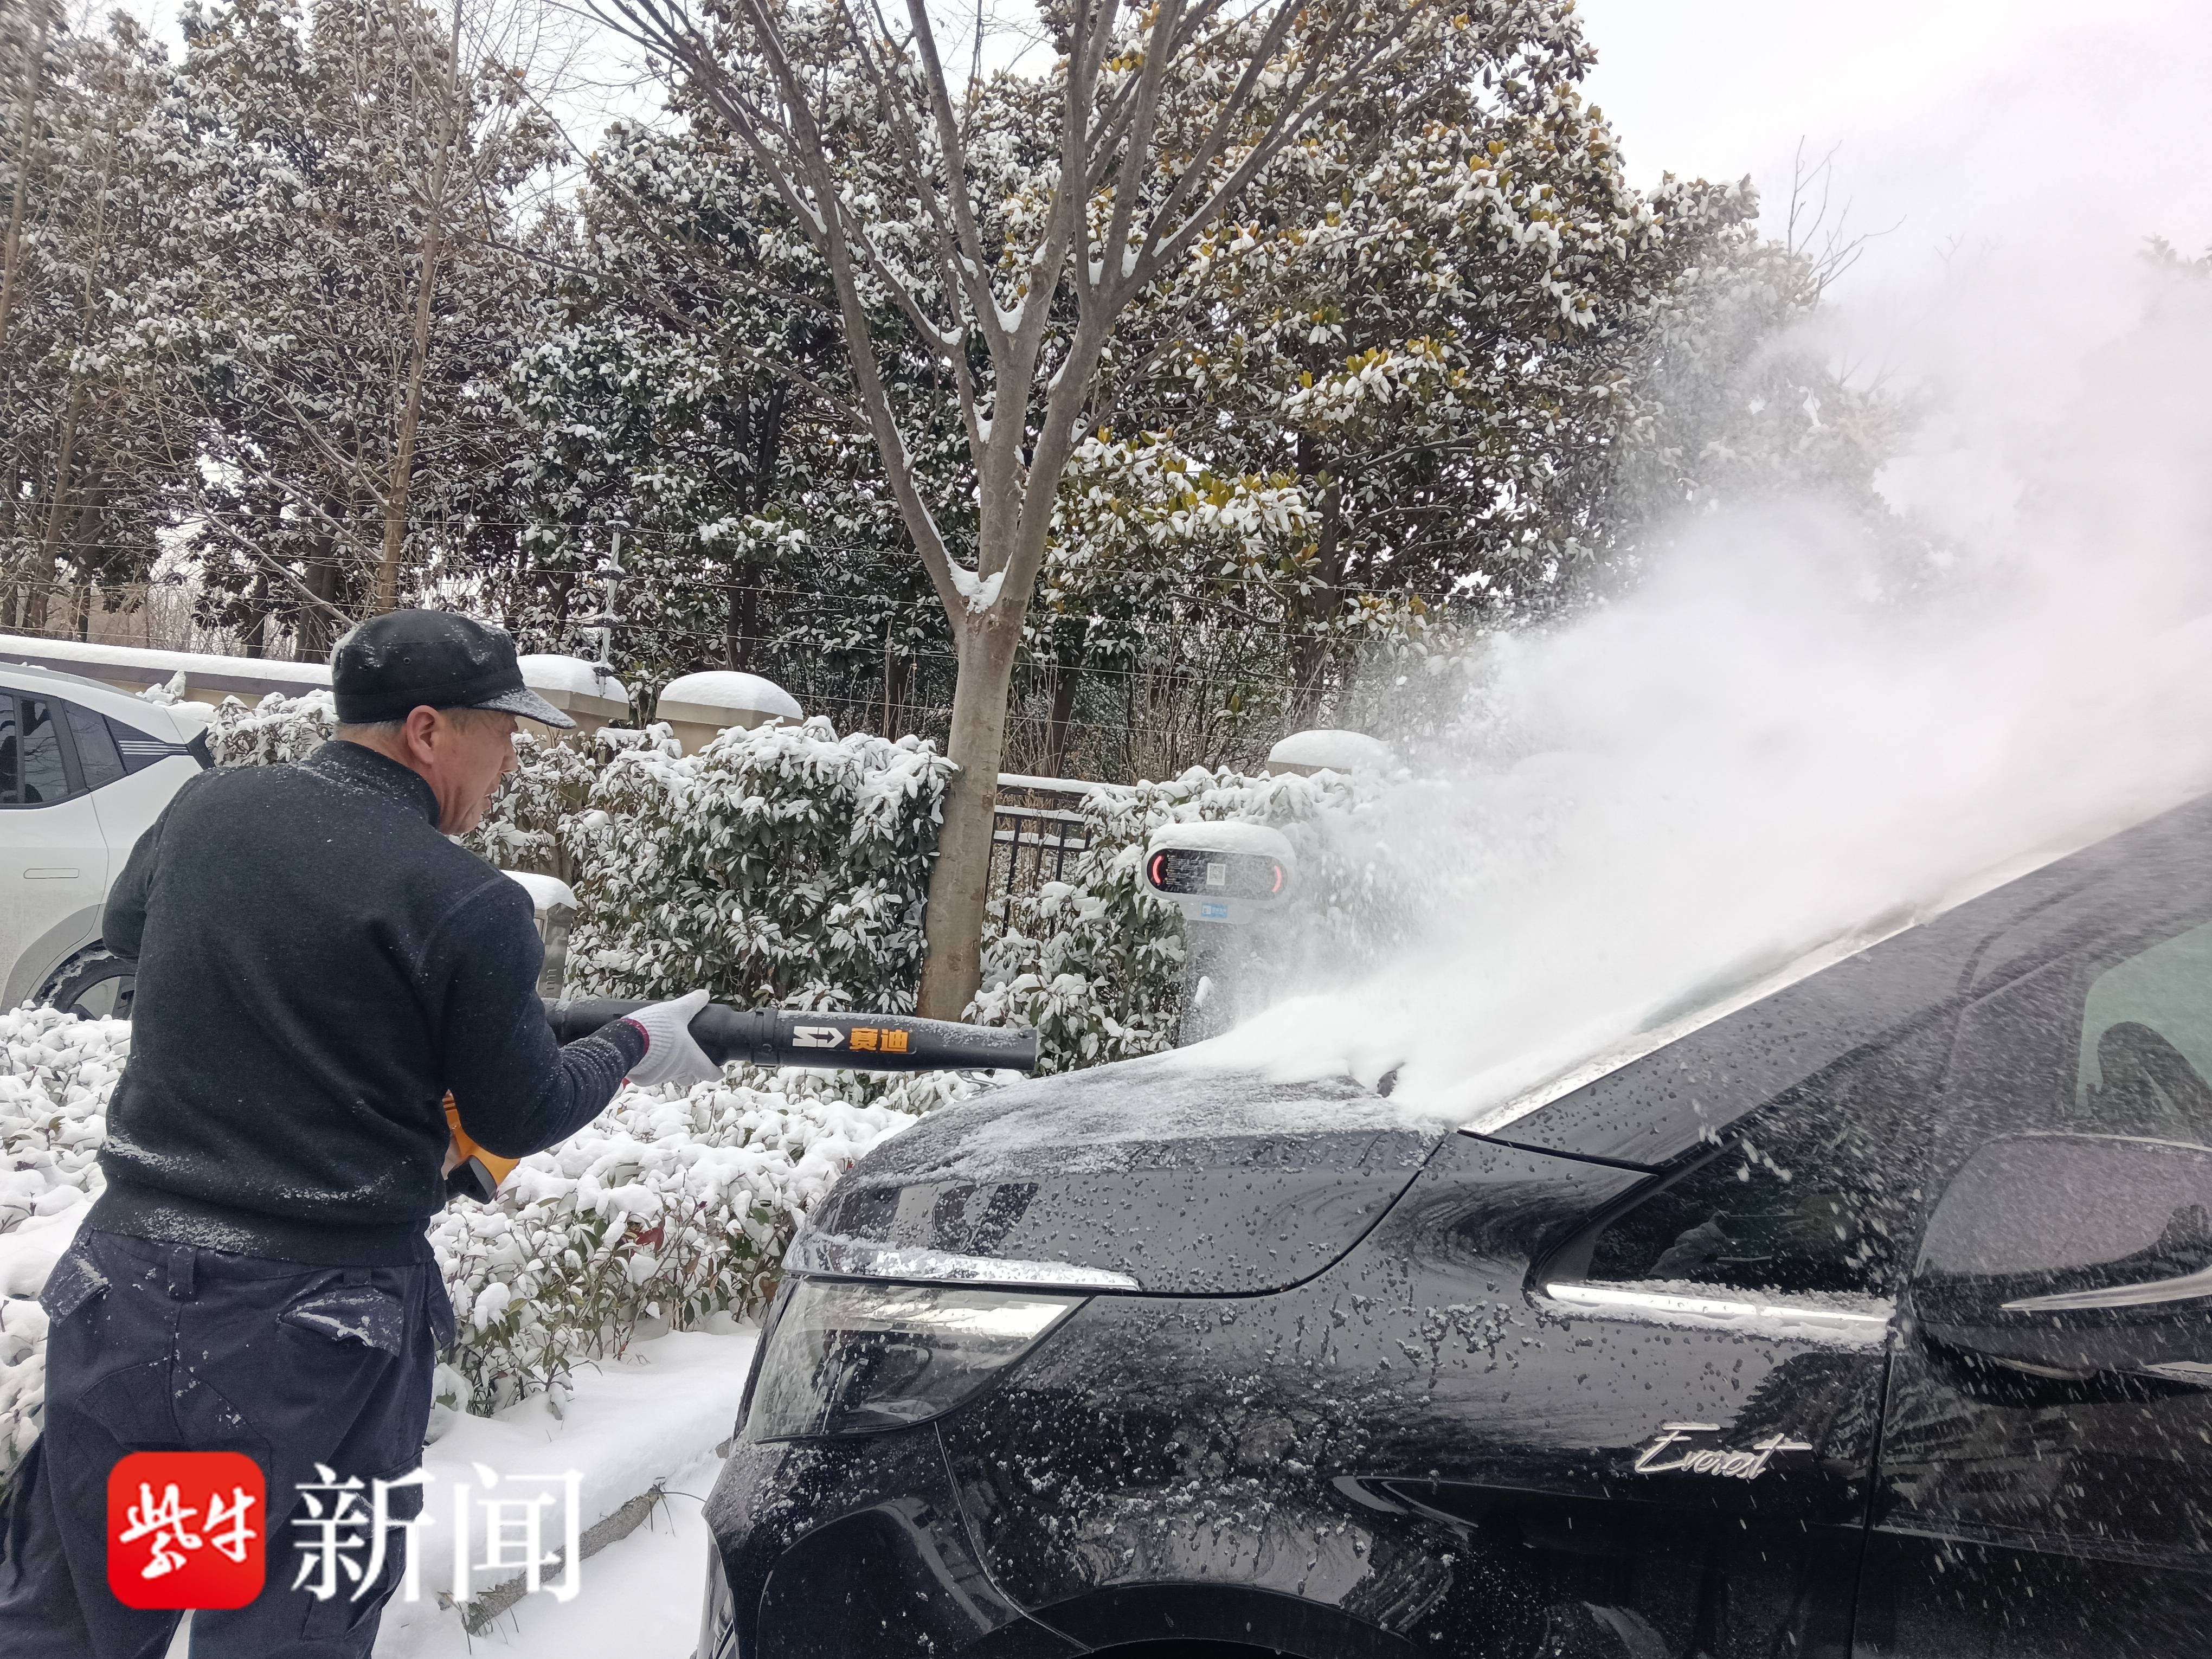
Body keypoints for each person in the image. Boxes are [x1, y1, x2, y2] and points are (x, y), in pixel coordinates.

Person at [0, 610, 718, 1657]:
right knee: (283, 1626)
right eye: (502, 734)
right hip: (311, 1331)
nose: (512, 763)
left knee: (99, 1608)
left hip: (132, 1294)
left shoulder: (211, 809)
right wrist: (633, 1043)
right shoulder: (466, 902)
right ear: (428, 730)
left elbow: (129, 930)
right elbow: (521, 1111)